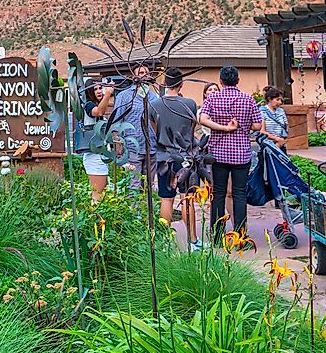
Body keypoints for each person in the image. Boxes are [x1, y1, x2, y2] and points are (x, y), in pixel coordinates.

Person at [199, 65, 262, 243]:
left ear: (220, 81)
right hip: (242, 153)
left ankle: (217, 237)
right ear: (238, 81)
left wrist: (222, 128)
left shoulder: (213, 99)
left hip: (218, 153)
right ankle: (240, 237)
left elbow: (203, 119)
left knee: (218, 194)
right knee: (239, 193)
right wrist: (243, 125)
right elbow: (258, 125)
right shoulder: (248, 99)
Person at [155, 68, 201, 249]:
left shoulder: (155, 104)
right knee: (187, 198)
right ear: (181, 84)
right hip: (184, 157)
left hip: (163, 156)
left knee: (166, 199)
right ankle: (193, 240)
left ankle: (165, 241)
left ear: (165, 83)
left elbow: (154, 127)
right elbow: (192, 126)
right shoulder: (189, 103)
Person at [111, 63, 162, 188]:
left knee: (149, 186)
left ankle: (148, 207)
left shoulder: (154, 97)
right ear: (134, 76)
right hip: (133, 147)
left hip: (151, 146)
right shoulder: (125, 96)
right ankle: (133, 207)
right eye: (140, 73)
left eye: (147, 73)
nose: (144, 75)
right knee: (133, 185)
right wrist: (118, 144)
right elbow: (116, 122)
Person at [78, 80, 115, 202]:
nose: (99, 91)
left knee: (100, 193)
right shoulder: (88, 105)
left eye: (100, 88)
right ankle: (96, 219)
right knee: (98, 195)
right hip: (94, 156)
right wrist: (108, 94)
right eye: (95, 89)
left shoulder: (95, 104)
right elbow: (98, 112)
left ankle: (97, 219)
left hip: (99, 154)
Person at [258, 86, 289, 151]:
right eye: (277, 99)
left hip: (281, 145)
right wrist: (276, 139)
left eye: (281, 100)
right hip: (267, 146)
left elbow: (286, 128)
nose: (280, 102)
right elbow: (262, 132)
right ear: (269, 99)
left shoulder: (281, 111)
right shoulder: (262, 112)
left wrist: (281, 141)